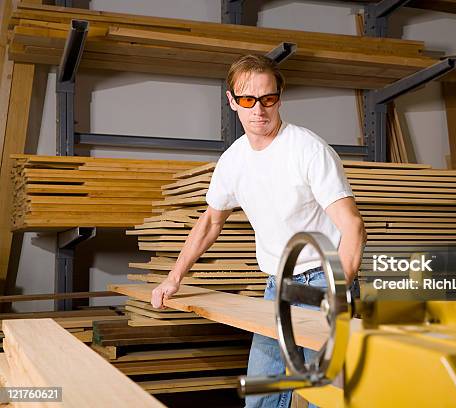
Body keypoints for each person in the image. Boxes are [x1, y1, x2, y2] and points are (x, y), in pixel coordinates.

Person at [151, 54, 367, 408]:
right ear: (232, 101)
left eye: (268, 99)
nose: (259, 110)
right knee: (263, 396)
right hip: (277, 285)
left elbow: (353, 227)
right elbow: (209, 222)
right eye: (248, 100)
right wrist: (174, 277)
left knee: (324, 395)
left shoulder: (307, 149)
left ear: (279, 97)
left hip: (324, 280)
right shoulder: (234, 160)